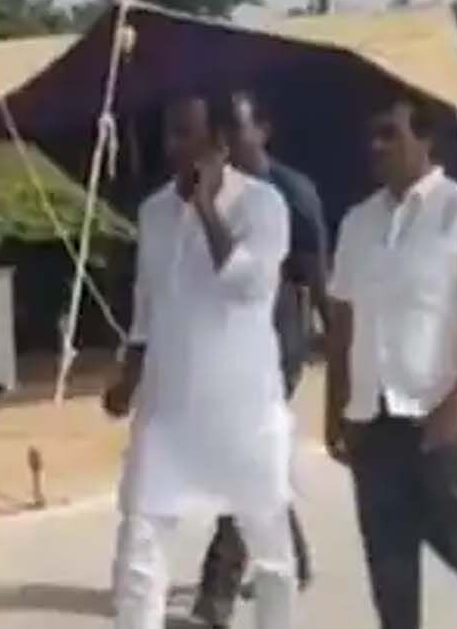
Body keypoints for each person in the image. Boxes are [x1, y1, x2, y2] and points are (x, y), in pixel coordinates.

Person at [325, 92, 457, 629]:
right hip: (374, 418)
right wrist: (336, 409)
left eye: (390, 134)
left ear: (426, 140)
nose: (377, 147)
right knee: (388, 563)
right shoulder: (357, 224)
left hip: (443, 417)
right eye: (372, 136)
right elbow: (342, 320)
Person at [103, 93, 296, 629]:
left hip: (244, 411)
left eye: (185, 134)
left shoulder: (263, 205)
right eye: (169, 133)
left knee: (271, 550)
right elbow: (147, 306)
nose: (172, 146)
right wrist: (129, 377)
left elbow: (248, 285)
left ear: (219, 142)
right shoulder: (154, 212)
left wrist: (208, 208)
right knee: (139, 538)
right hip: (168, 409)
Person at [192, 91, 327, 627]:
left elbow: (317, 271)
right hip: (226, 344)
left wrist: (336, 344)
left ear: (263, 130)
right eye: (220, 131)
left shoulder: (291, 193)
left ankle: (216, 594)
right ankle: (293, 556)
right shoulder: (211, 196)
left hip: (278, 341)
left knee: (244, 458)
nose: (227, 141)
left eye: (237, 128)